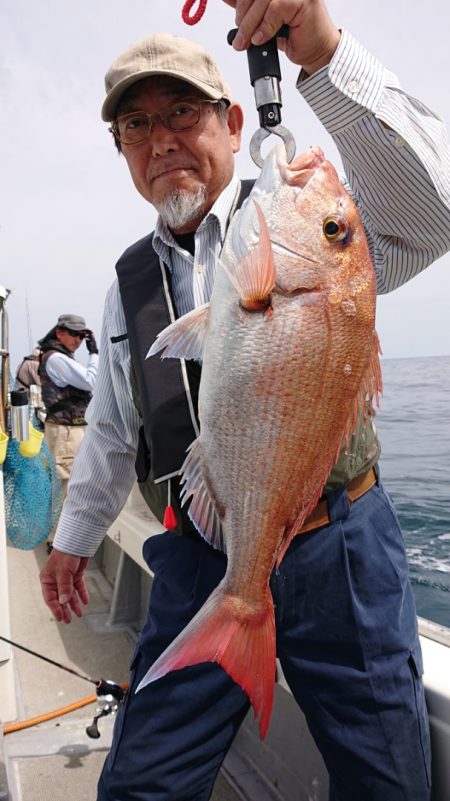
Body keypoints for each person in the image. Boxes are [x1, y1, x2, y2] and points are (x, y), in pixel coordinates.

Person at [39, 1, 449, 799]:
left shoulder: (311, 229)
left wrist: (323, 54)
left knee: (386, 783)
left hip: (342, 547)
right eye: (136, 126)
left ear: (233, 123)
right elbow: (116, 429)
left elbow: (430, 216)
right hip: (202, 553)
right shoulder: (128, 287)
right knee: (140, 784)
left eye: (183, 113)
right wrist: (74, 535)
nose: (161, 141)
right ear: (122, 150)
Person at [38, 313, 99, 545]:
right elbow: (90, 380)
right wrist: (94, 353)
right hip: (66, 432)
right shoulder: (56, 359)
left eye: (83, 336)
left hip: (70, 430)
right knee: (66, 488)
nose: (78, 340)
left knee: (69, 486)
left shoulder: (61, 357)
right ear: (59, 332)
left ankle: (61, 540)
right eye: (73, 333)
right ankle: (58, 543)